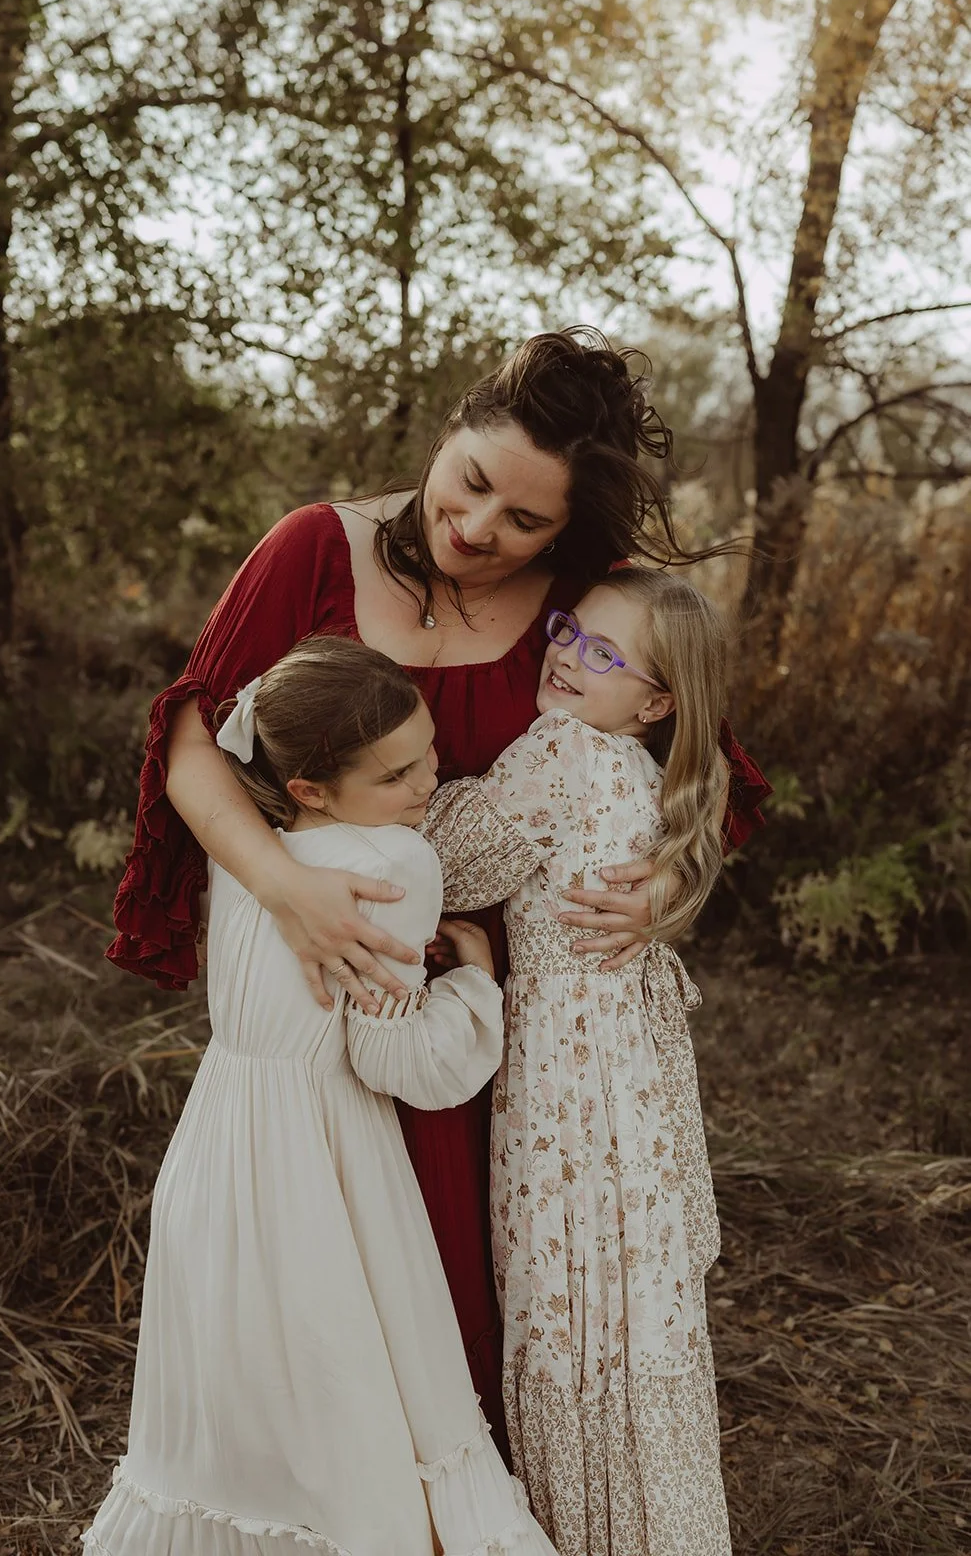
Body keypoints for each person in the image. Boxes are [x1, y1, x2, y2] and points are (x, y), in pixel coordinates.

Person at [106, 326, 770, 1440]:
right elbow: (187, 747)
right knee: (328, 1300)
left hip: (494, 1023)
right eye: (468, 484)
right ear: (448, 432)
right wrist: (282, 885)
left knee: (475, 1289)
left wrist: (664, 889)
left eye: (524, 522)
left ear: (568, 530)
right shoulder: (310, 550)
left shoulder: (588, 607)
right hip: (329, 980)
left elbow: (697, 758)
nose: (475, 530)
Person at [83, 636, 560, 1556]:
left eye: (427, 755)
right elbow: (402, 1065)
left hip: (216, 1148)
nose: (427, 783)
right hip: (321, 1161)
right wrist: (473, 986)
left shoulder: (247, 847)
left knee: (244, 1397)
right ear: (309, 787)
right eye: (395, 775)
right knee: (346, 1399)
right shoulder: (396, 864)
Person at [419, 568, 733, 1555]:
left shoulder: (558, 752)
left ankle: (580, 1528)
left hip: (567, 1084)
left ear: (655, 699)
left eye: (602, 653)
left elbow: (454, 860)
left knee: (564, 1298)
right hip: (632, 1080)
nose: (564, 654)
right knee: (630, 1302)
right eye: (566, 631)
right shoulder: (647, 775)